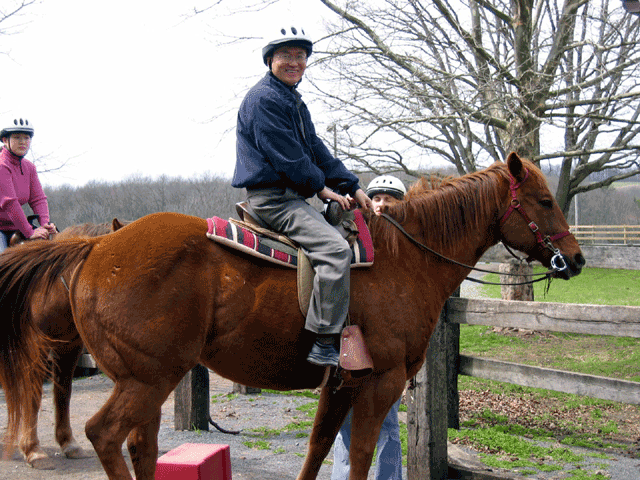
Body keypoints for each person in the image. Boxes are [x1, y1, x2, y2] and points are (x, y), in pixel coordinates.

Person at [232, 25, 372, 367]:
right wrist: (321, 189)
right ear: (269, 61)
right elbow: (288, 157)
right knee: (336, 250)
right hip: (276, 200)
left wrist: (351, 185)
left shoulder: (291, 100)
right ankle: (324, 340)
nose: (294, 62)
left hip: (293, 196)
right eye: (285, 56)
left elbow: (316, 150)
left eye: (300, 56)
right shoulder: (264, 99)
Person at [332, 175, 407, 480]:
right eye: (377, 198)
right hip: (354, 341)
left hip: (389, 349)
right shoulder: (354, 238)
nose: (382, 204)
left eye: (390, 199)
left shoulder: (406, 250)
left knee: (387, 422)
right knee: (346, 420)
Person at [0, 117, 56, 253]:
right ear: (5, 140)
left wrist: (45, 224)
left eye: (26, 138)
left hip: (17, 227)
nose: (23, 142)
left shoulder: (29, 167)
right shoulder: (2, 166)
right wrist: (30, 232)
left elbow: (38, 199)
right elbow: (9, 203)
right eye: (17, 138)